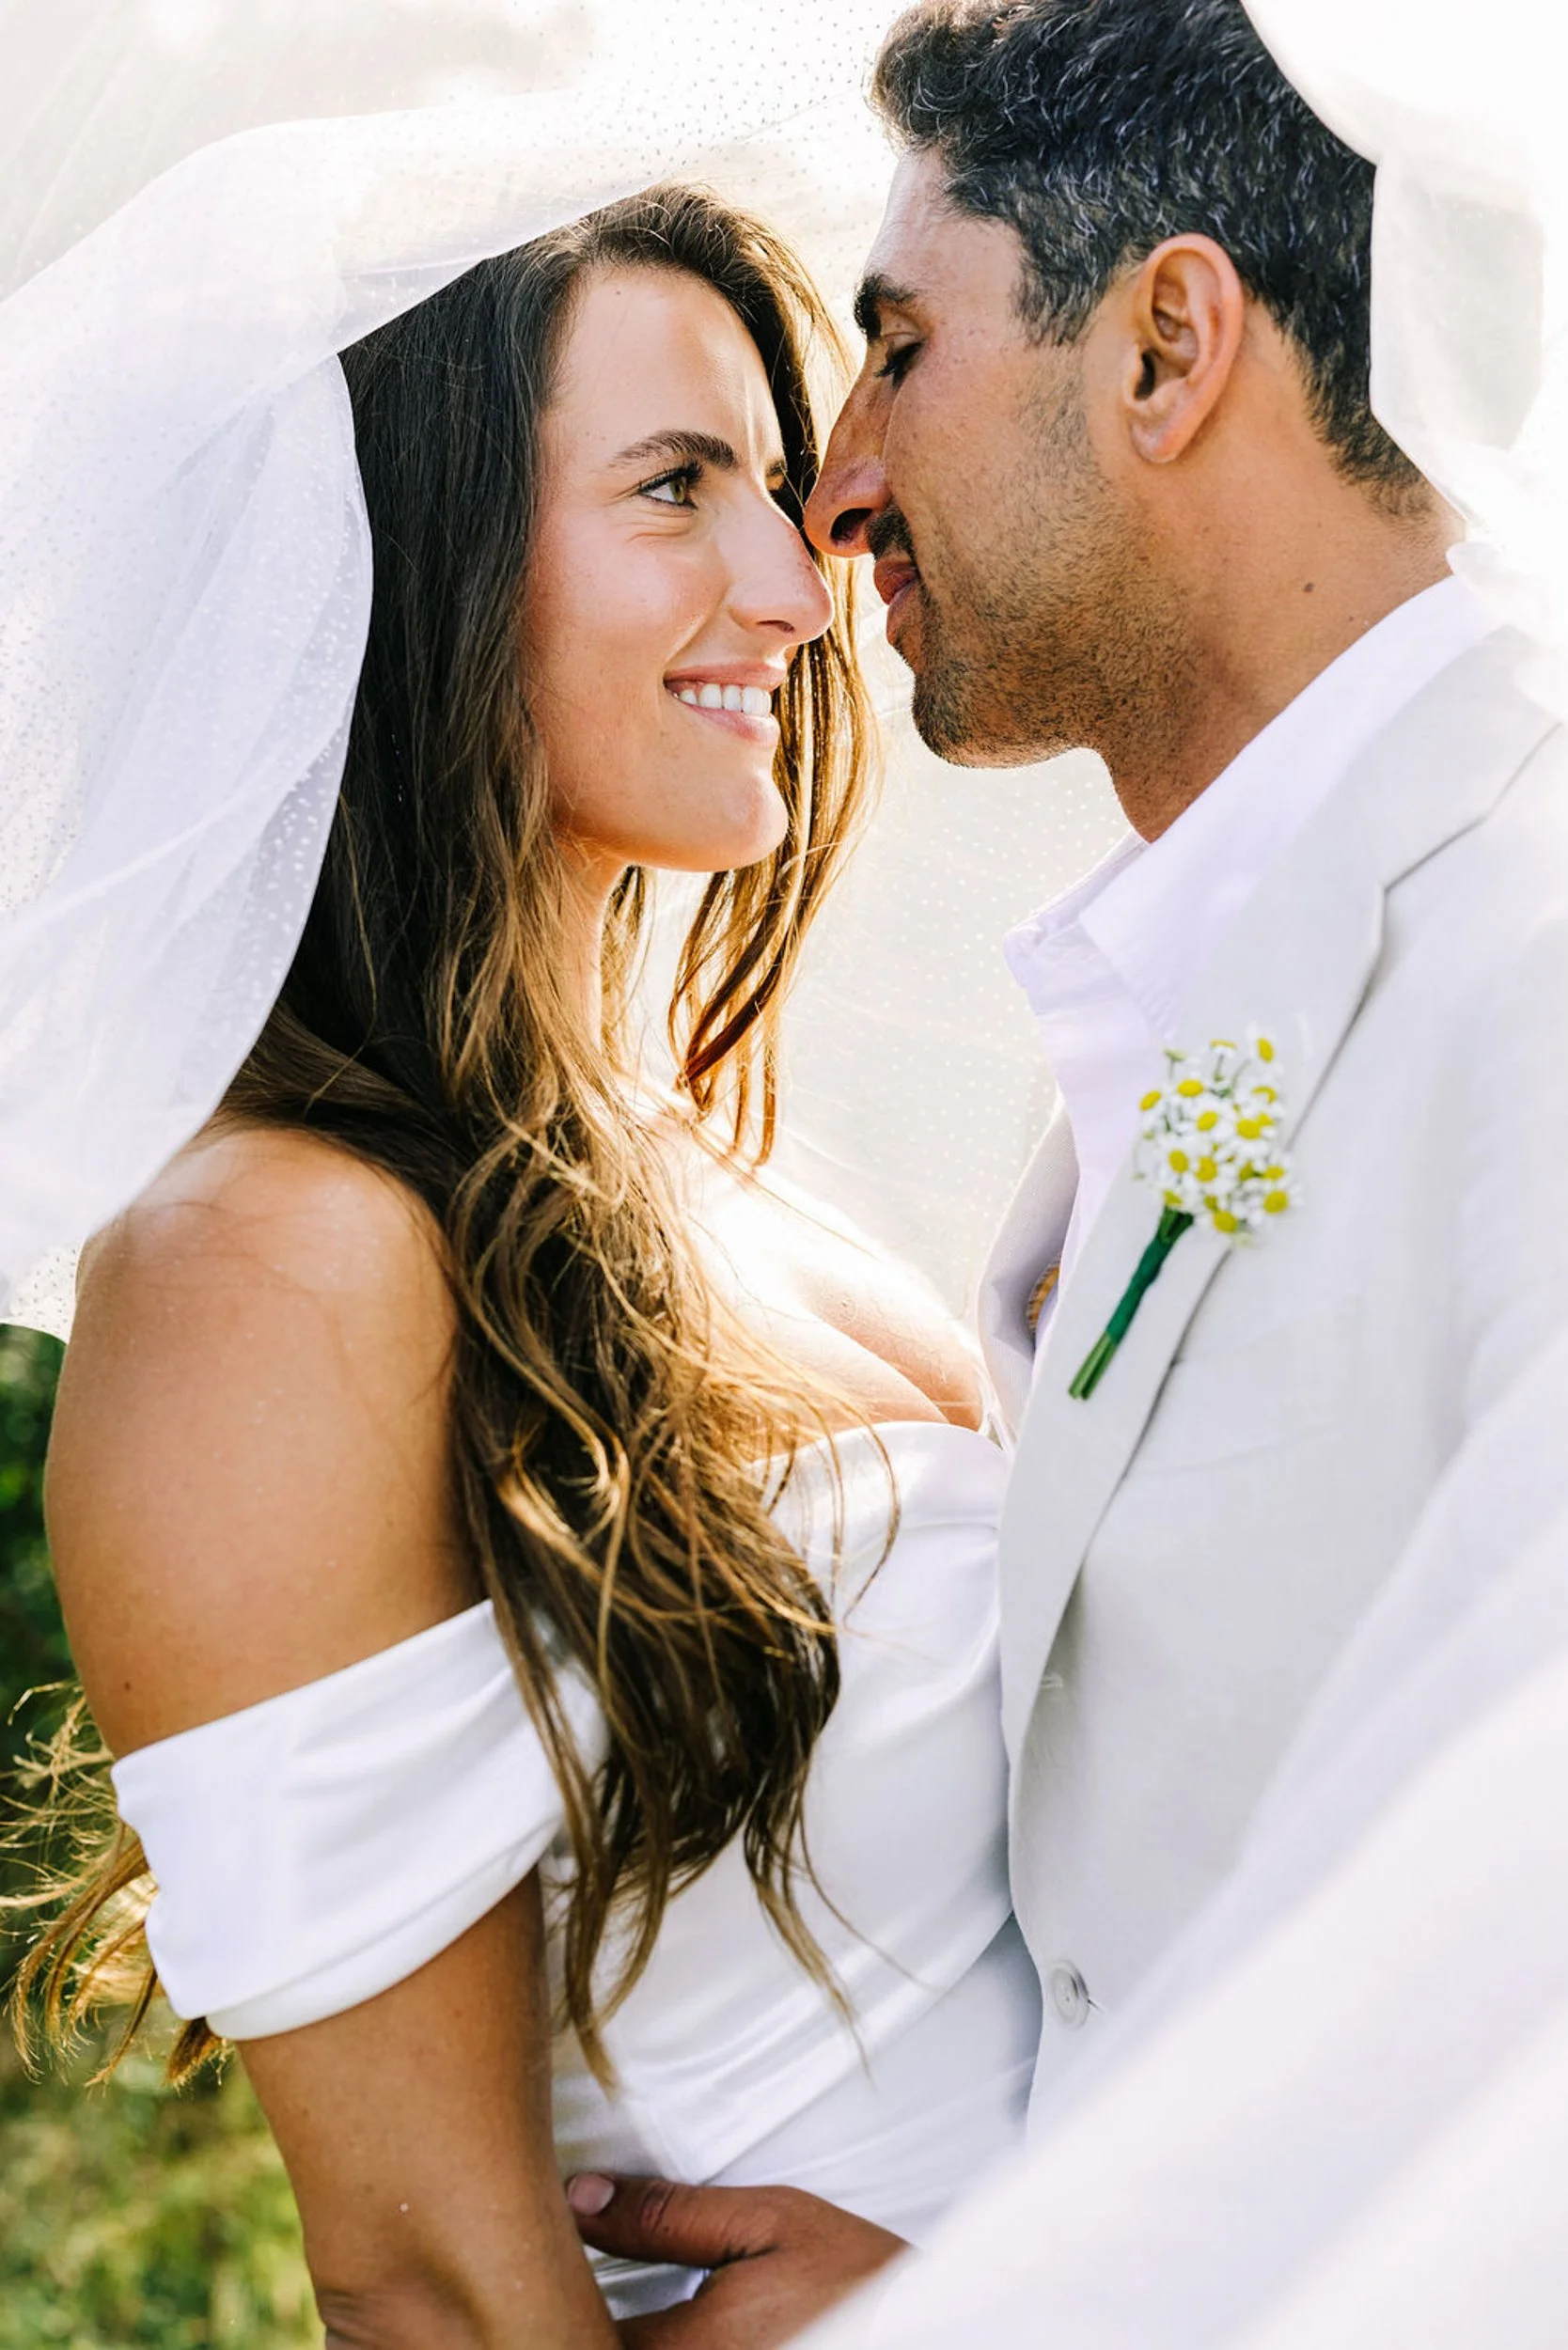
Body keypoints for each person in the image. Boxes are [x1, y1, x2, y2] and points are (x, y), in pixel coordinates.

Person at [563, 1, 1568, 2340]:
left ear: (1167, 347)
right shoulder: (1215, 989)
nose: (834, 484)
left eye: (899, 346)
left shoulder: (1536, 968)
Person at [23, 183, 1041, 2342]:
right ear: (404, 569)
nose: (792, 582)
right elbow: (435, 2280)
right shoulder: (275, 1259)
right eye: (675, 488)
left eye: (775, 486)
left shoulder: (719, 1181)